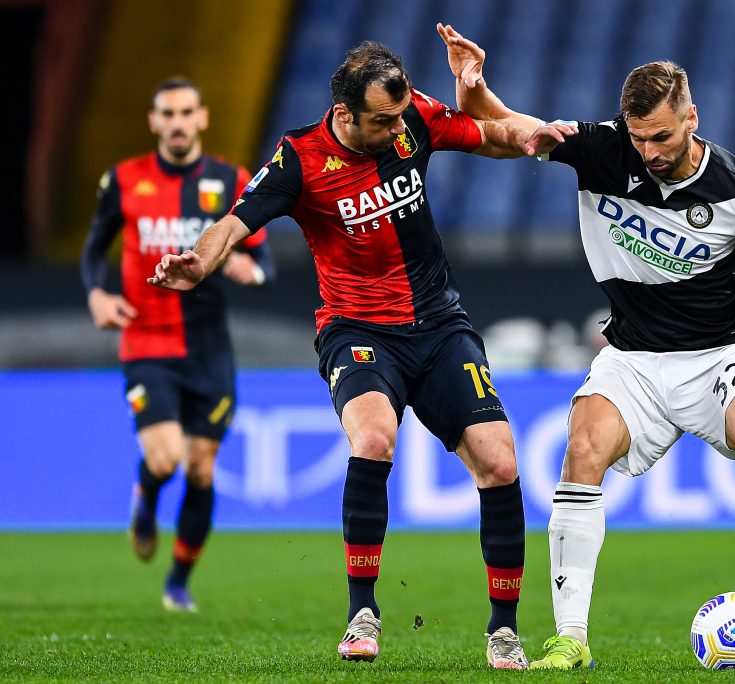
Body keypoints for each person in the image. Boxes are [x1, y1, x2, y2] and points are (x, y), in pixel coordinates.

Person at [437, 24, 735, 668]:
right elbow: (499, 125)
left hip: (719, 354)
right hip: (632, 359)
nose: (650, 151)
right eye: (639, 138)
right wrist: (473, 86)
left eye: (662, 136)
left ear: (692, 117)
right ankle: (570, 640)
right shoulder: (602, 150)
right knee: (581, 450)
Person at [147, 42, 573, 669]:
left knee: (501, 462)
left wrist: (539, 135)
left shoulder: (411, 119)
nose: (399, 131)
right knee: (373, 440)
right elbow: (235, 223)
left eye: (402, 119)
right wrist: (199, 263)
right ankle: (362, 613)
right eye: (383, 121)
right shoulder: (300, 158)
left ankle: (504, 630)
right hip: (357, 329)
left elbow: (489, 134)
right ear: (344, 114)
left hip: (439, 323)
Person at [81, 77, 275, 613]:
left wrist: (247, 270)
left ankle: (178, 582)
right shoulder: (123, 181)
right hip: (146, 339)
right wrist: (98, 294)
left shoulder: (228, 180)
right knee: (165, 460)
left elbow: (266, 260)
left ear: (203, 118)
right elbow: (94, 250)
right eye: (168, 113)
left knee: (202, 469)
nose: (178, 123)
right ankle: (145, 497)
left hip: (209, 348)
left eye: (187, 112)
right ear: (154, 121)